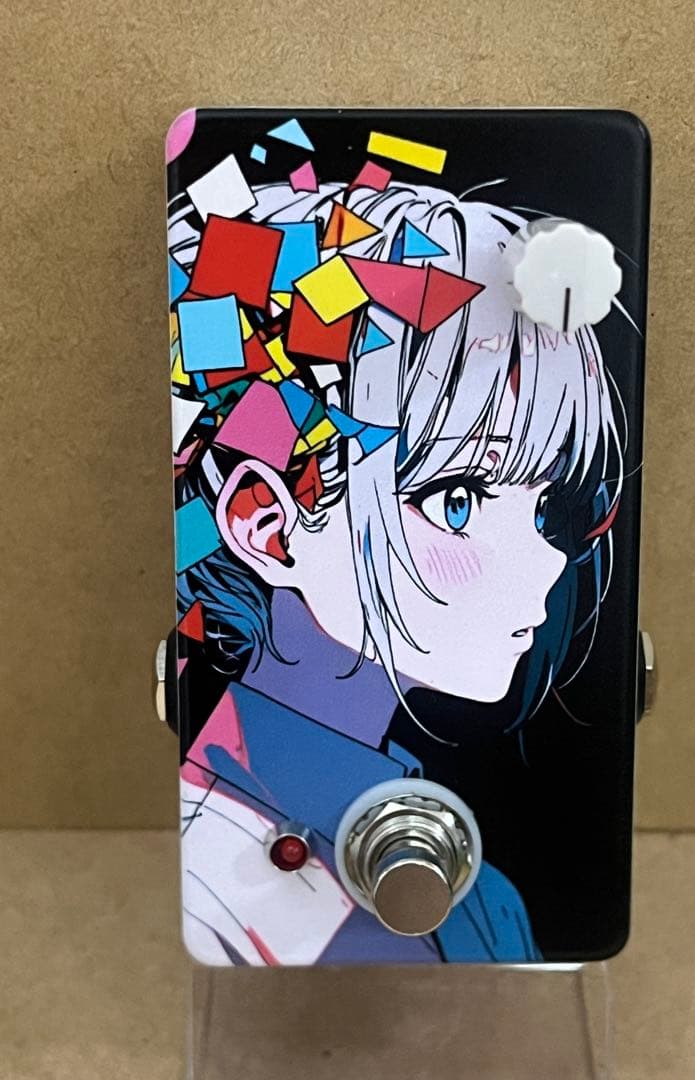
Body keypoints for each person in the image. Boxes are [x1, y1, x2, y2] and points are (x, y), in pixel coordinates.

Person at [170, 175, 623, 966]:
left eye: (548, 505)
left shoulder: (486, 901)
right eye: (458, 500)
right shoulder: (218, 885)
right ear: (266, 524)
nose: (547, 560)